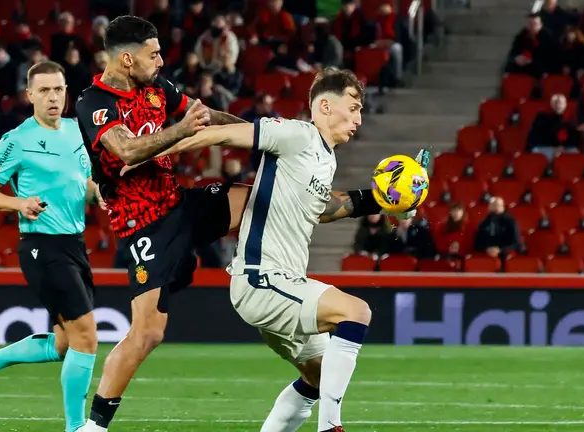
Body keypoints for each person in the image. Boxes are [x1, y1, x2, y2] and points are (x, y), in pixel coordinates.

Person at [129, 67, 424, 432]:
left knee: (318, 379)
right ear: (326, 106)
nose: (359, 118)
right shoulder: (295, 133)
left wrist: (383, 200)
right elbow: (220, 134)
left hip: (282, 283)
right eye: (354, 107)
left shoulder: (323, 158)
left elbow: (325, 209)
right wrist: (142, 153)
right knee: (357, 312)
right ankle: (331, 427)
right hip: (262, 279)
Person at [74, 16, 249, 432]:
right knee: (149, 333)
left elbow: (204, 117)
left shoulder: (157, 88)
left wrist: (262, 134)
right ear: (127, 58)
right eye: (153, 54)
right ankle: (94, 427)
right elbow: (128, 151)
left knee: (258, 198)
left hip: (178, 202)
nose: (160, 60)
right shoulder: (93, 102)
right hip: (143, 225)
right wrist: (181, 130)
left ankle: (364, 203)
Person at [0, 61, 101, 432]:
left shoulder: (75, 131)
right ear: (30, 96)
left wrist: (97, 193)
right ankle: (76, 427)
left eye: (58, 89)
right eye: (44, 91)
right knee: (86, 335)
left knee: (64, 345)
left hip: (74, 244)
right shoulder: (17, 140)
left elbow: (80, 181)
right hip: (42, 247)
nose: (53, 97)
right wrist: (18, 203)